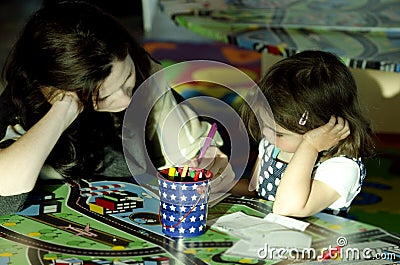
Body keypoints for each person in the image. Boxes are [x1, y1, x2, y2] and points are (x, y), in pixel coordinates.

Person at [0, 1, 232, 215]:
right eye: (103, 97)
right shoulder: (24, 104)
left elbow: (195, 148)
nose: (124, 100)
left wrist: (209, 161)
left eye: (126, 78)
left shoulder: (143, 74)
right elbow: (7, 196)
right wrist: (63, 110)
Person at [233, 50, 375, 217]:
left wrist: (310, 147)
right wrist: (218, 181)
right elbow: (255, 190)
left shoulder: (340, 167)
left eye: (279, 134)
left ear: (322, 130)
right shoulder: (272, 147)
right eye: (264, 125)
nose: (265, 134)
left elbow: (288, 208)